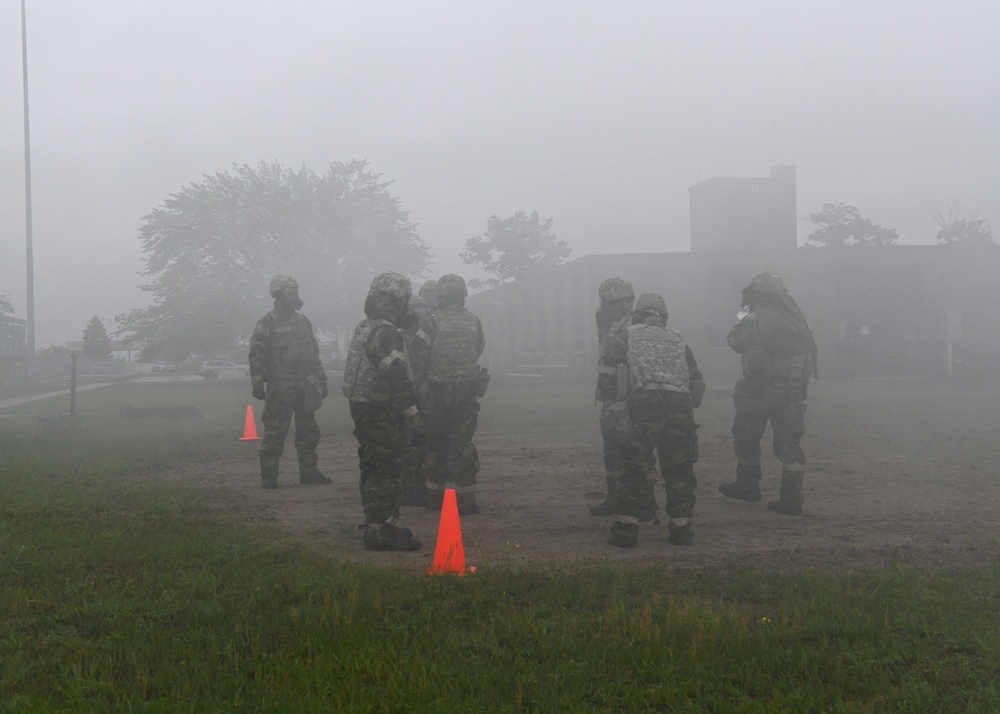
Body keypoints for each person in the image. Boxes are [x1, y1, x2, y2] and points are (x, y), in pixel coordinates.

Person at [601, 293, 704, 548]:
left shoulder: (628, 335)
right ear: (664, 316)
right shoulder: (679, 339)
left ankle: (626, 530)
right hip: (680, 406)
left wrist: (613, 402)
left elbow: (608, 373)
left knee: (633, 466)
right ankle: (681, 530)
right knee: (679, 468)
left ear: (638, 315)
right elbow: (697, 384)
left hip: (642, 406)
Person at [718, 271, 816, 515]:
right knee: (790, 444)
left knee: (746, 436)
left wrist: (734, 331)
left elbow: (737, 342)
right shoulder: (796, 317)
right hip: (792, 390)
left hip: (760, 389)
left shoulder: (757, 313)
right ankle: (792, 498)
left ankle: (748, 486)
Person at [342, 272, 425, 551]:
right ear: (395, 301)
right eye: (403, 301)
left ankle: (378, 524)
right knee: (386, 472)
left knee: (373, 467)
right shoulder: (386, 332)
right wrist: (415, 416)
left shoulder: (365, 326)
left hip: (364, 409)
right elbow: (397, 376)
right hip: (382, 413)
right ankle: (380, 534)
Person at [410, 274, 487, 515]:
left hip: (436, 394)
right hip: (465, 393)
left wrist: (420, 388)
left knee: (436, 445)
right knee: (463, 444)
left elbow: (417, 356)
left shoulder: (431, 323)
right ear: (462, 295)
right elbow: (479, 347)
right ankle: (466, 500)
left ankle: (434, 498)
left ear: (441, 296)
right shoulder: (474, 321)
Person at [249, 275, 330, 489]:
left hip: (305, 384)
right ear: (278, 294)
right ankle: (269, 475)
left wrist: (321, 378)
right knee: (275, 431)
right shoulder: (267, 322)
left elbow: (313, 353)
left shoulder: (303, 321)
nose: (293, 295)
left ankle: (309, 471)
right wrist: (257, 382)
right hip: (280, 385)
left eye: (295, 290)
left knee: (308, 431)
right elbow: (257, 353)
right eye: (289, 291)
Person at [592, 277, 659, 521]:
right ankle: (615, 498)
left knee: (638, 450)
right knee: (612, 449)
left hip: (632, 397)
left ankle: (646, 502)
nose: (606, 307)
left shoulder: (636, 323)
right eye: (605, 302)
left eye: (611, 302)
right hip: (613, 395)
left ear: (626, 300)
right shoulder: (612, 323)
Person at [398, 293, 432, 506]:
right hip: (412, 394)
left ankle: (418, 487)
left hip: (419, 394)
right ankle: (412, 488)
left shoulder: (425, 332)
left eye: (422, 308)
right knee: (412, 442)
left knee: (419, 442)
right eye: (416, 309)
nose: (420, 313)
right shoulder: (399, 334)